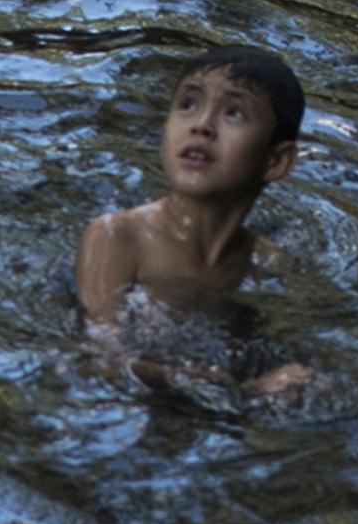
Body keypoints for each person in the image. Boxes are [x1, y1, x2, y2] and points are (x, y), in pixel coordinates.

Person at [74, 44, 317, 400]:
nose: (202, 126)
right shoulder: (119, 237)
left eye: (233, 113)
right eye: (188, 104)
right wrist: (239, 391)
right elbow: (101, 358)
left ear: (276, 161)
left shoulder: (267, 264)